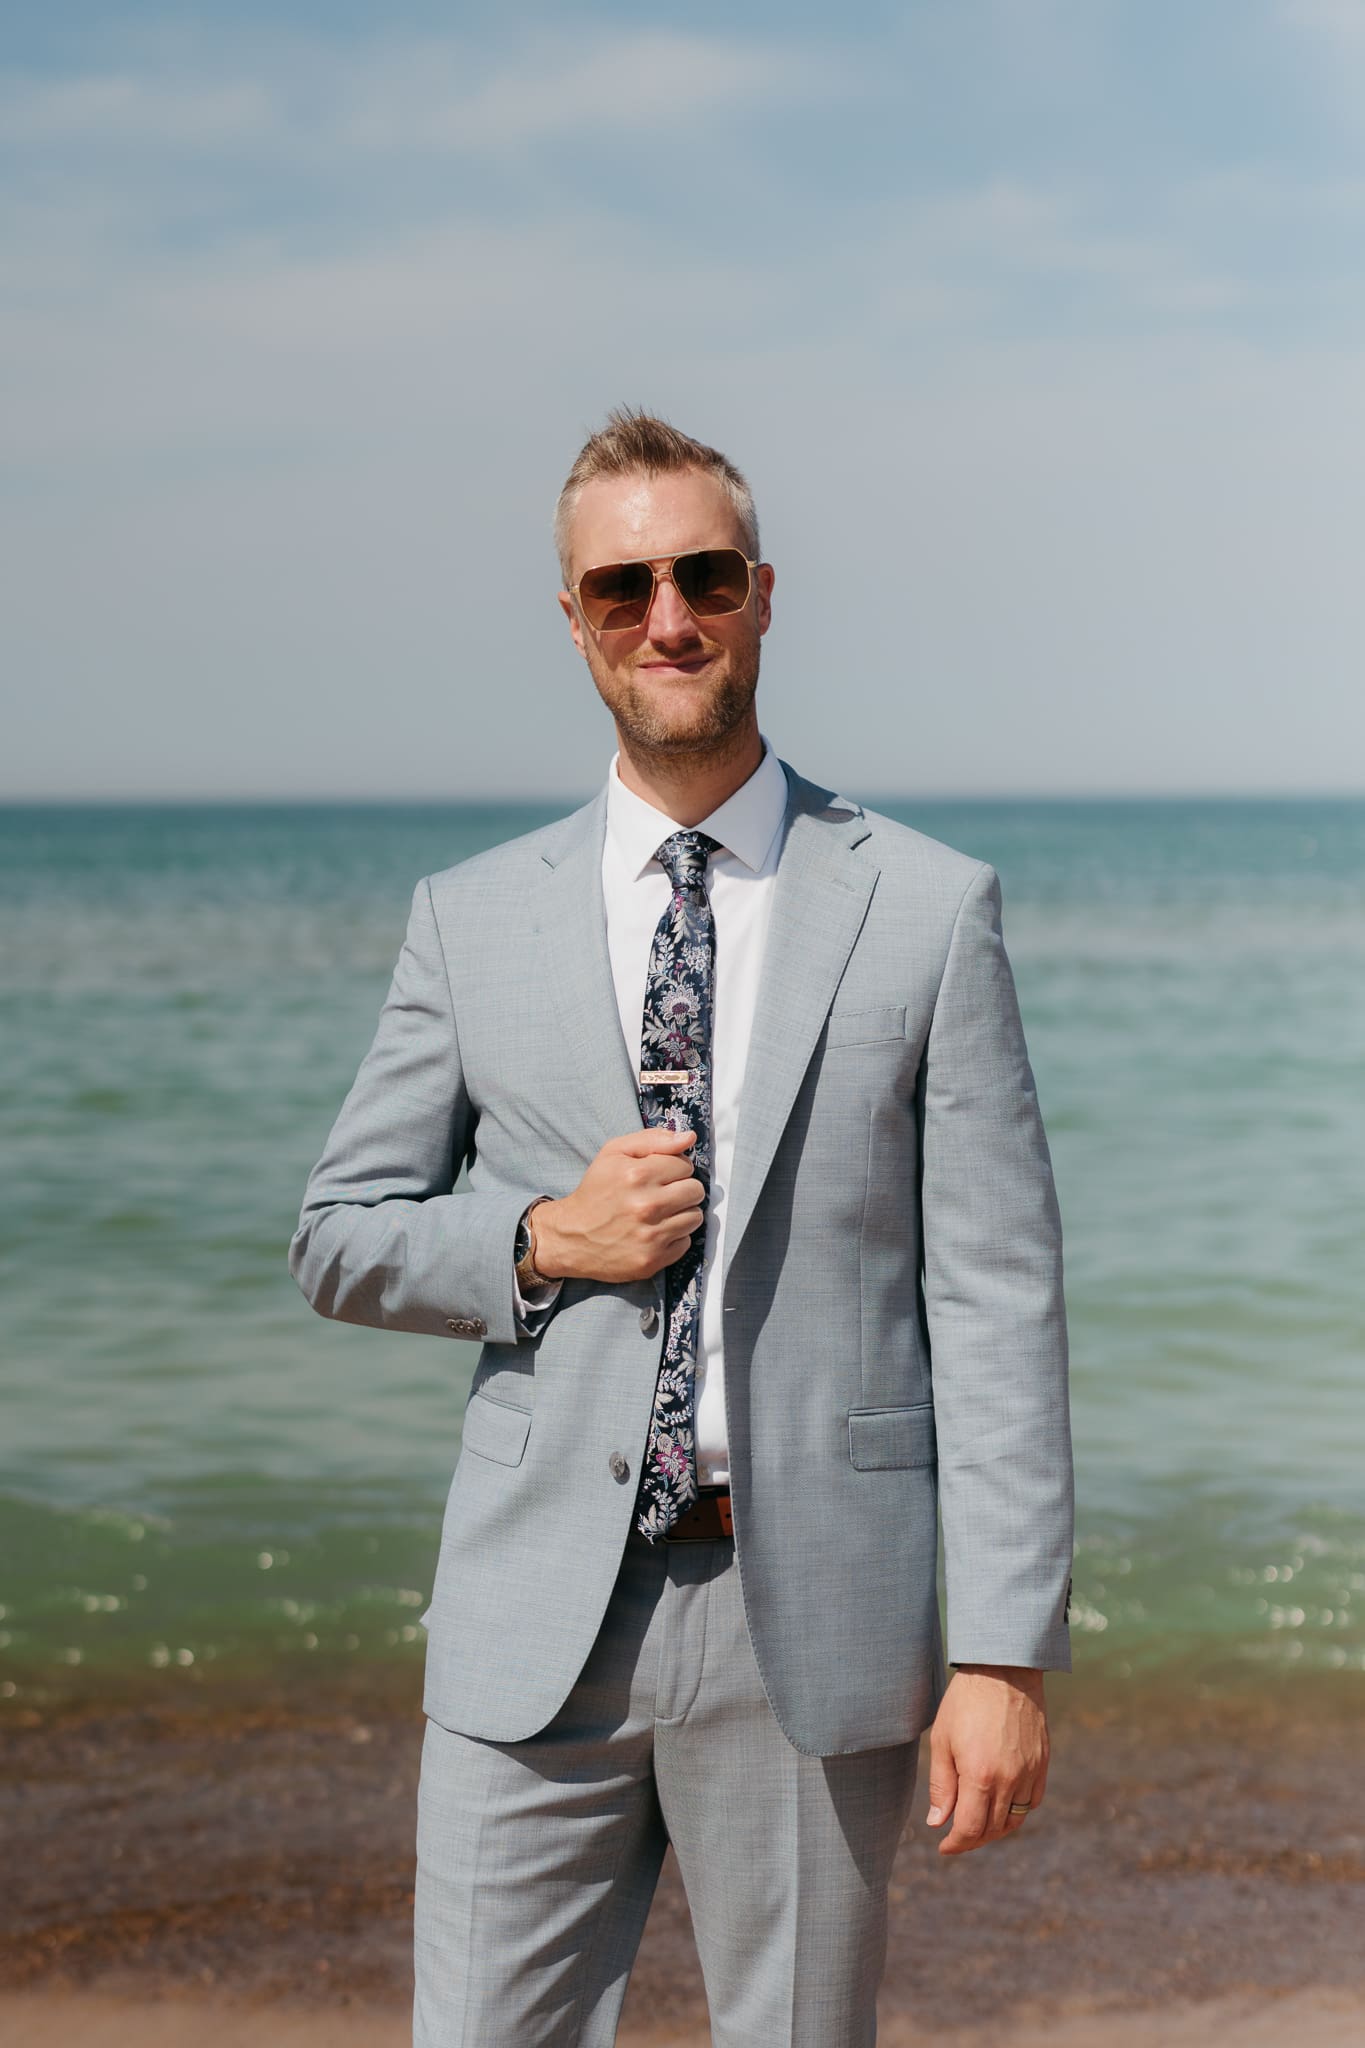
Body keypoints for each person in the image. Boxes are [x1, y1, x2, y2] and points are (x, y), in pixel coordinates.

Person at [290, 409, 1074, 2047]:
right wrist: (536, 1242)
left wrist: (1001, 1652)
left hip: (816, 1626)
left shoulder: (924, 907)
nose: (668, 617)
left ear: (762, 593)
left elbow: (994, 1301)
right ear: (574, 623)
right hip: (531, 1628)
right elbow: (341, 1234)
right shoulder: (470, 916)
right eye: (621, 586)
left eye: (701, 575)